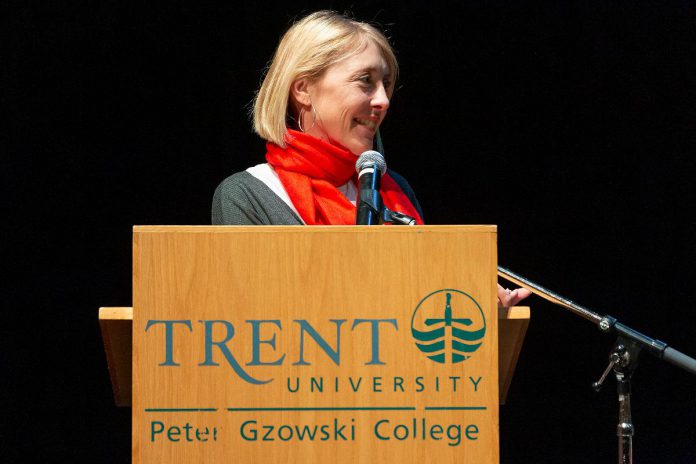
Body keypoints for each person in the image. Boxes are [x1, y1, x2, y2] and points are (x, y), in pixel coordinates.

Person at [211, 10, 529, 306]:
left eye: (386, 84)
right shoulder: (248, 194)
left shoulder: (394, 191)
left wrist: (465, 297)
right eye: (366, 81)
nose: (384, 100)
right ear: (303, 89)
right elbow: (255, 322)